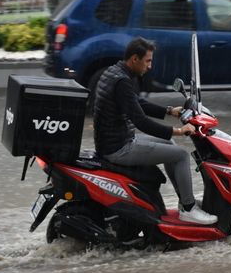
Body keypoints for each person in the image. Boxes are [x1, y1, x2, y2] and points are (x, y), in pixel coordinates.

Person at [93, 37, 217, 225]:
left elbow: (136, 103)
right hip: (118, 148)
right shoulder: (122, 81)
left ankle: (185, 201)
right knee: (181, 155)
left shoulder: (115, 72)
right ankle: (189, 209)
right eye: (148, 61)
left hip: (116, 141)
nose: (150, 66)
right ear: (135, 59)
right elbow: (141, 122)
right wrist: (179, 130)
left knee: (170, 146)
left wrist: (168, 111)